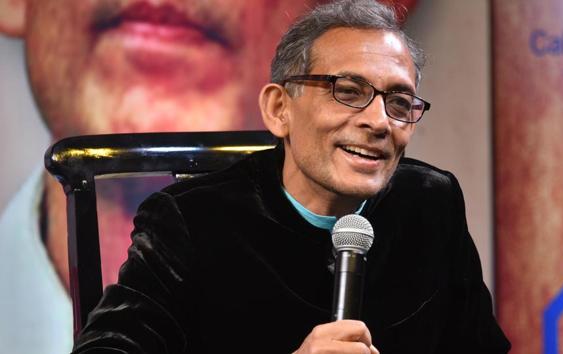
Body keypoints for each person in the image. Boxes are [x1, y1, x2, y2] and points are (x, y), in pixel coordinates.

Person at [71, 0, 511, 353]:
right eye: (349, 91)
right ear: (279, 110)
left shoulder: (432, 201)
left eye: (398, 101)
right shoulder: (190, 222)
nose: (380, 122)